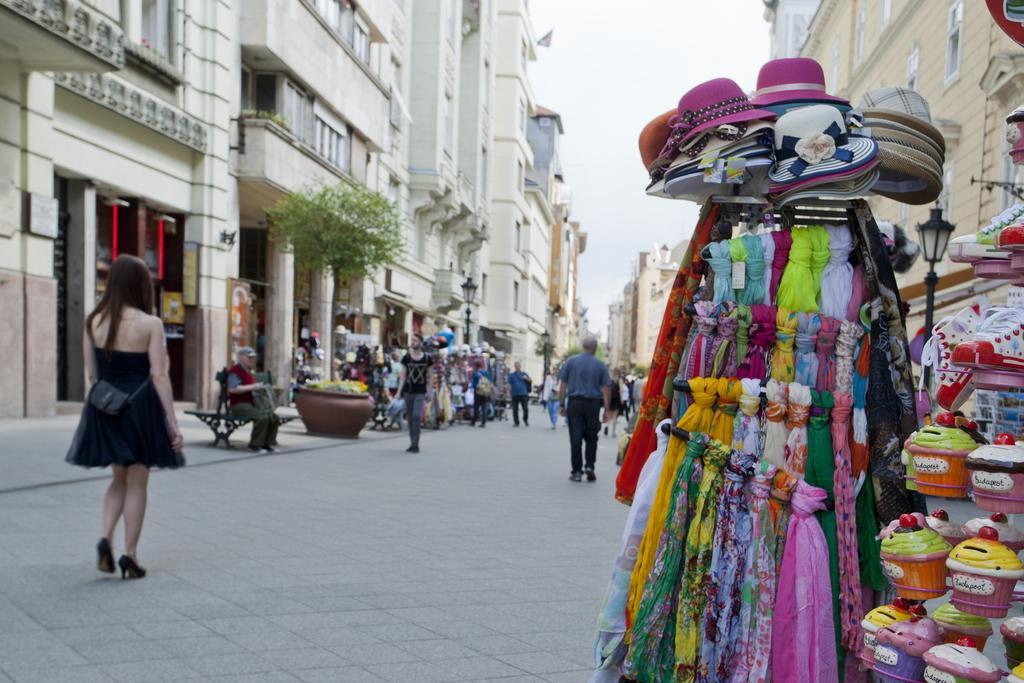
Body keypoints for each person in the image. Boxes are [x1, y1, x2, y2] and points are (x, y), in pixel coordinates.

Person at [66, 255, 184, 580]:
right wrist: (172, 423)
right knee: (138, 481)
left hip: (105, 408)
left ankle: (106, 536)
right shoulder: (151, 324)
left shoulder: (94, 321)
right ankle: (130, 554)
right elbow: (159, 375)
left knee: (118, 478)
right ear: (141, 285)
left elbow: (92, 374)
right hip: (140, 408)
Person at [558, 336, 612, 482]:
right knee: (592, 437)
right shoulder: (600, 365)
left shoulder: (571, 361)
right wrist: (606, 410)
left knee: (575, 438)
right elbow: (606, 388)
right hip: (593, 405)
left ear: (583, 346)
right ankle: (589, 466)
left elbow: (563, 385)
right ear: (595, 349)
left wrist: (562, 404)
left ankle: (576, 471)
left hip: (575, 404)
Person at [227, 347, 280, 453]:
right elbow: (232, 389)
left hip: (252, 403)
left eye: (253, 358)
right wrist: (252, 387)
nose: (251, 360)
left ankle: (266, 443)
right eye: (249, 357)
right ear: (241, 357)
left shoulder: (248, 371)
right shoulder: (235, 371)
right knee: (262, 418)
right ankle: (255, 444)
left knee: (273, 417)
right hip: (238, 404)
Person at [395, 334, 431, 452]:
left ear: (421, 342)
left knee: (416, 416)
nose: (413, 342)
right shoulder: (406, 358)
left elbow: (430, 377)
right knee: (410, 417)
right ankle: (412, 443)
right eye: (412, 340)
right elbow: (403, 375)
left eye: (415, 340)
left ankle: (416, 444)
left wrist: (429, 392)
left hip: (420, 391)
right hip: (408, 391)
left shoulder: (427, 359)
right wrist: (399, 391)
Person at [508, 361, 531, 427]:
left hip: (524, 393)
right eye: (517, 366)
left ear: (520, 366)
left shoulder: (524, 374)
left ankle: (525, 419)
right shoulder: (511, 375)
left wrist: (527, 379)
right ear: (515, 367)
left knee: (525, 408)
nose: (518, 367)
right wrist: (508, 392)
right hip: (515, 394)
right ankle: (516, 422)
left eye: (519, 366)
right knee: (515, 409)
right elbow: (509, 384)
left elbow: (530, 381)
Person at [471, 360, 493, 428]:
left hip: (477, 392)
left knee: (476, 407)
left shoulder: (475, 373)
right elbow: (490, 381)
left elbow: (474, 383)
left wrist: (473, 387)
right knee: (484, 407)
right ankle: (483, 422)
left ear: (476, 366)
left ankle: (473, 421)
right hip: (485, 392)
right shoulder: (485, 372)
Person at [541, 365, 560, 429]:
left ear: (558, 370)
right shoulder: (548, 377)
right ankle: (552, 422)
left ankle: (554, 424)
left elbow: (561, 387)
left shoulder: (560, 377)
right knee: (550, 410)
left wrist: (558, 391)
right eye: (554, 369)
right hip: (549, 396)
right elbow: (546, 387)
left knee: (555, 410)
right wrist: (544, 397)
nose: (555, 370)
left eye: (556, 369)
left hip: (557, 396)